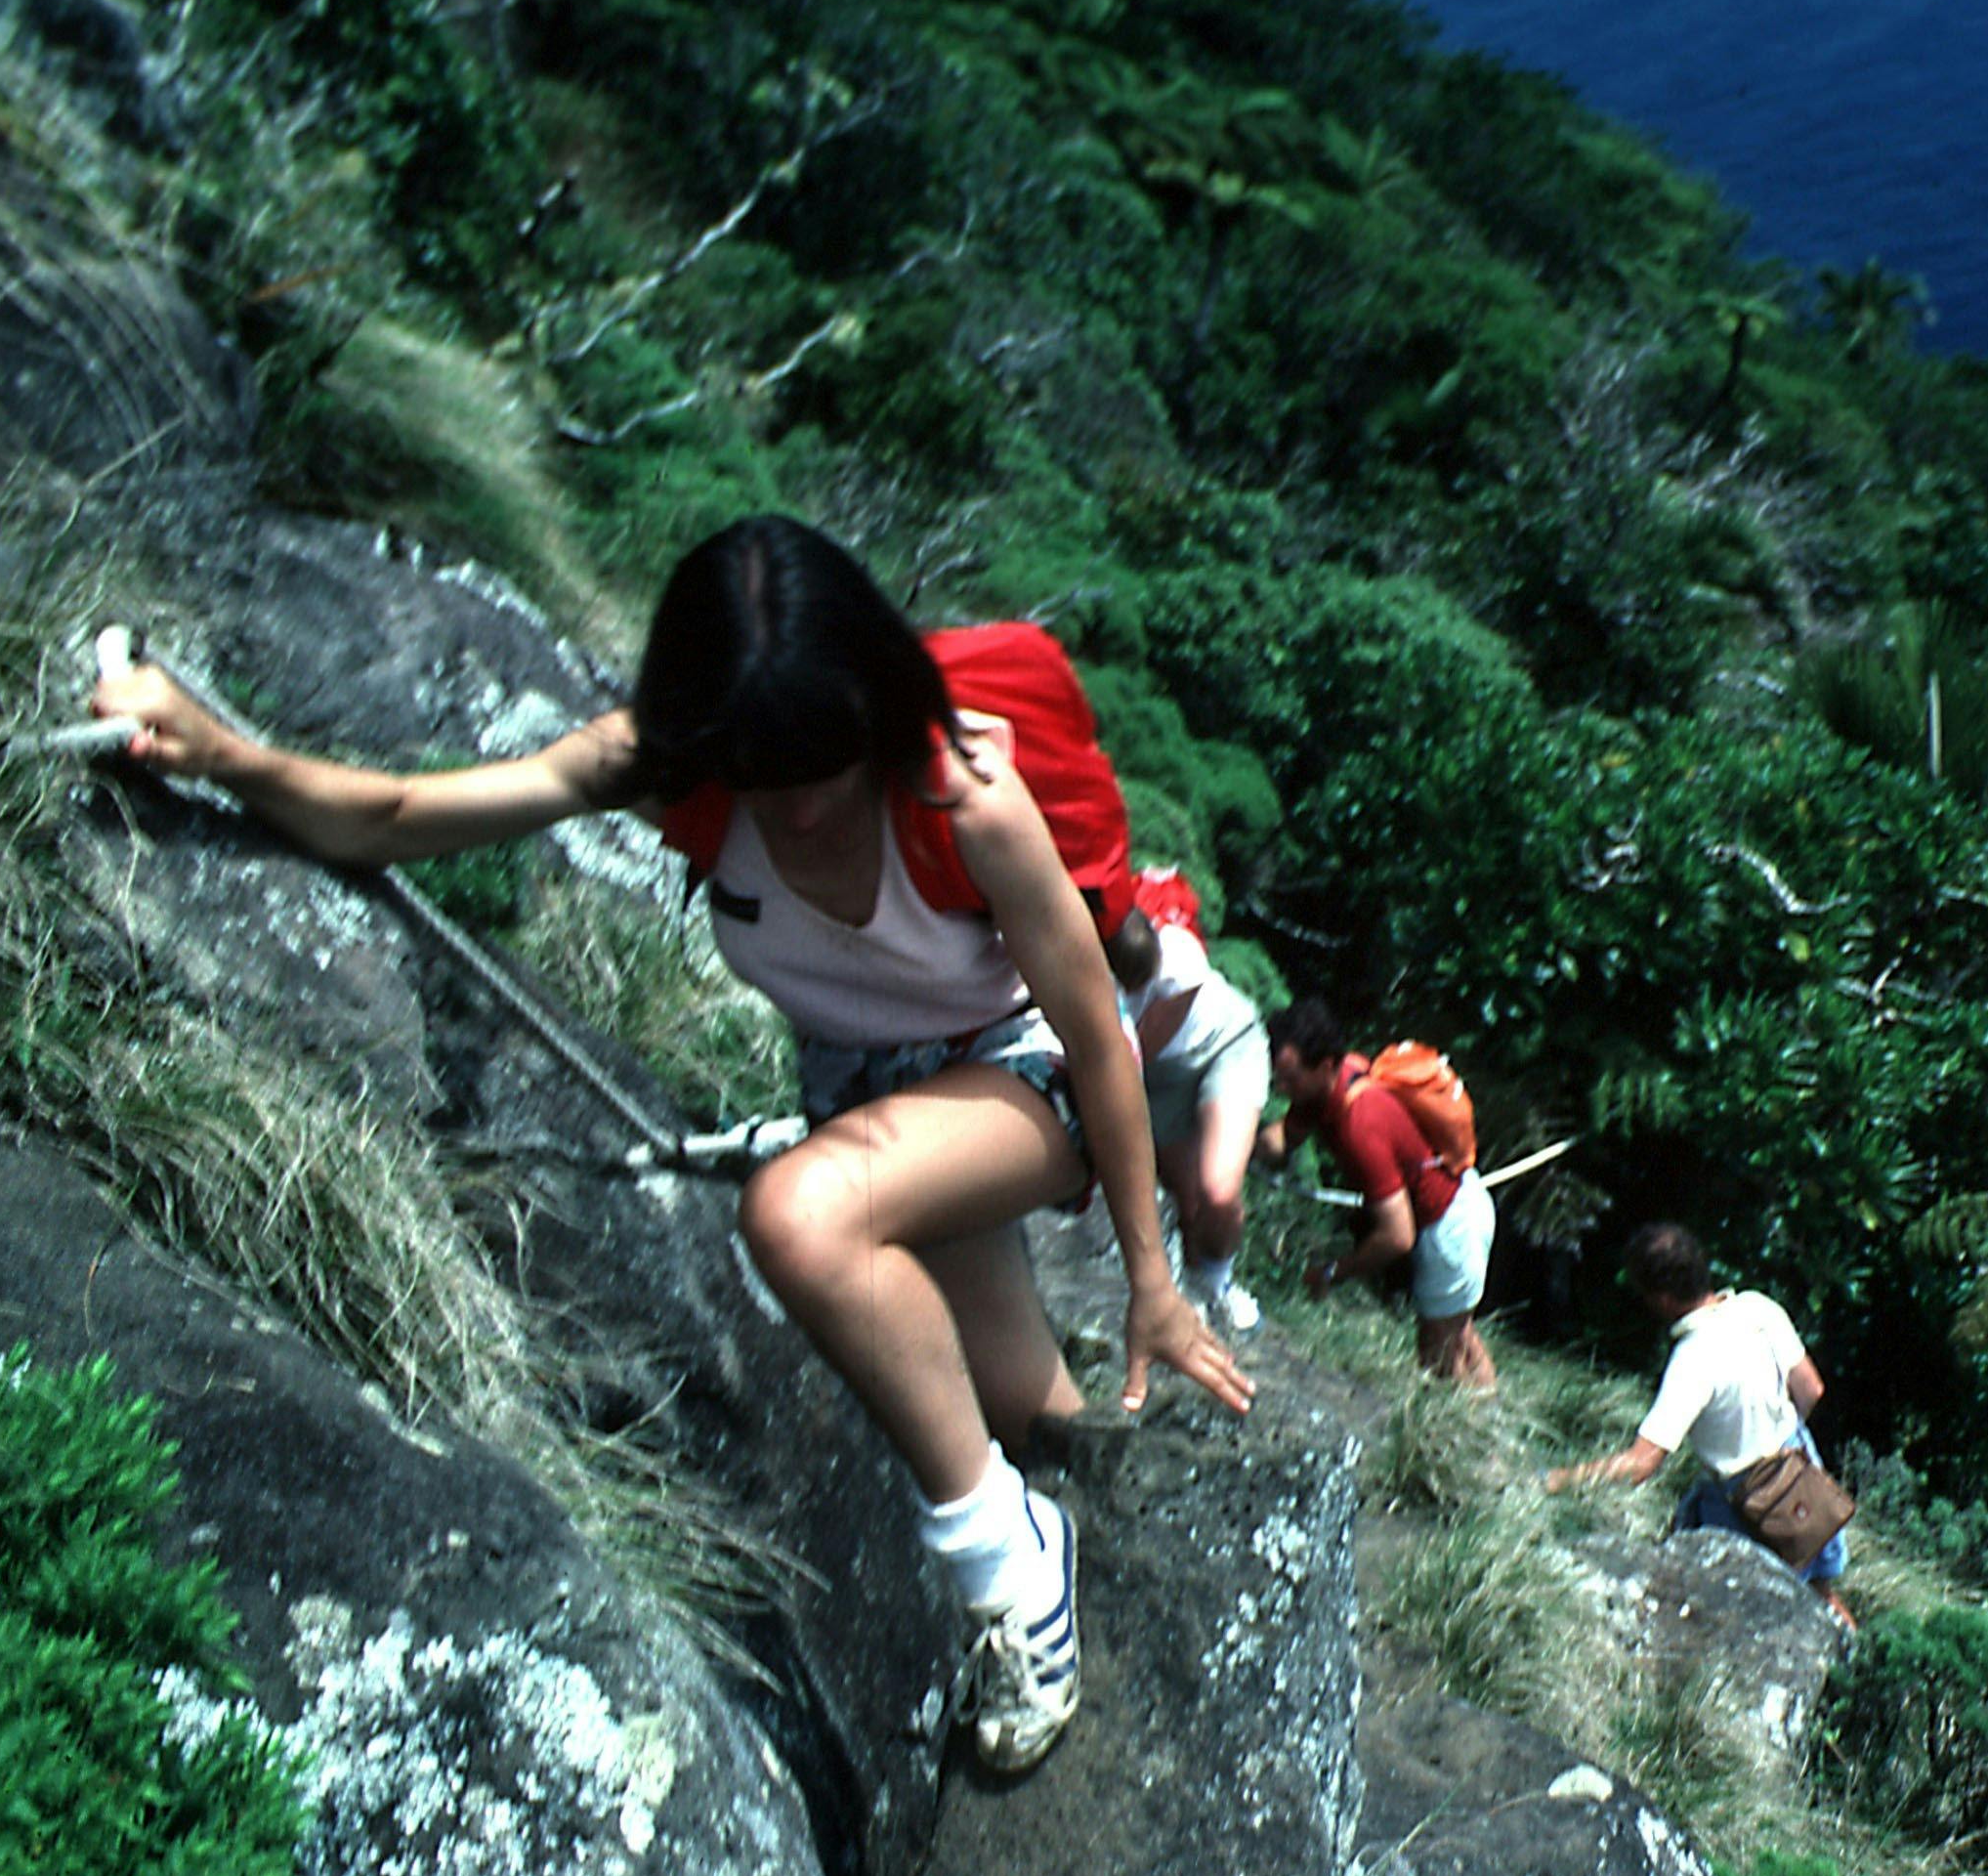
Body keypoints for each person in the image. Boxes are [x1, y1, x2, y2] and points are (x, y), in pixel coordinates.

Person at [88, 514, 1253, 1775]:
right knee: (1033, 1420)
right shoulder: (674, 764)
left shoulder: (963, 792)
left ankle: (999, 1565)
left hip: (1027, 1081)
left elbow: (1092, 1024)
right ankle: (1088, 1583)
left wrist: (1153, 1280)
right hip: (878, 1098)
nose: (800, 811)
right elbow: (400, 813)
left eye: (826, 765)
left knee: (803, 1220)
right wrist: (220, 750)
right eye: (765, 777)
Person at [1544, 1221, 1856, 1631]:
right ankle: (1861, 1667)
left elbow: (1641, 1464)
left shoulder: (1691, 1359)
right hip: (1801, 1471)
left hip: (1748, 1503)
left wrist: (1559, 1480)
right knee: (1822, 1593)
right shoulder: (1758, 1308)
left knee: (1729, 1618)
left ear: (1660, 1298)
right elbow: (1811, 1389)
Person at [1259, 999, 1498, 1388]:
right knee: (1460, 1338)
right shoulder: (1337, 1077)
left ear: (1323, 1067)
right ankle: (1496, 1427)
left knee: (1439, 1361)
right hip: (1463, 1204)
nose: (1283, 1089)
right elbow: (1287, 1135)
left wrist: (1335, 1272)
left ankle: (1474, 1441)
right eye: (1278, 1079)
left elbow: (1396, 1235)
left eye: (1291, 1079)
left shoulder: (1360, 1125)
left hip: (1449, 1230)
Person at [1114, 896, 1268, 1334]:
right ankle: (1194, 1300)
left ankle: (1221, 1288)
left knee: (1217, 1193)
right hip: (1160, 1077)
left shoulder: (1175, 954)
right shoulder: (1078, 961)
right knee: (1187, 1202)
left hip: (1224, 1043)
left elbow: (1136, 1049)